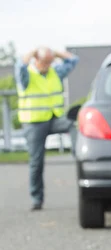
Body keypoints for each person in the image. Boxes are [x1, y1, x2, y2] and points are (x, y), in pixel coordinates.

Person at [14, 47, 79, 210]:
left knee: (73, 123)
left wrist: (55, 54)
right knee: (36, 162)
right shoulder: (27, 75)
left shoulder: (55, 72)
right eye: (45, 63)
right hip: (34, 122)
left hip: (53, 118)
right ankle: (37, 198)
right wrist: (33, 51)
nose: (48, 66)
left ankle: (77, 153)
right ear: (37, 60)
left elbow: (73, 60)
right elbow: (19, 66)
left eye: (50, 63)